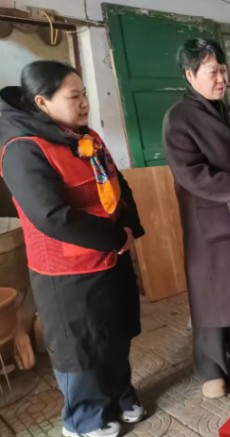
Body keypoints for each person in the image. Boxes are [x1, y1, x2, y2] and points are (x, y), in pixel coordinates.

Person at [0, 61, 145, 437]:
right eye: (73, 96)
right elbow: (52, 216)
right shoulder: (22, 149)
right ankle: (84, 418)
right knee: (81, 347)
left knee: (115, 334)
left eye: (84, 94)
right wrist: (115, 238)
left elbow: (116, 182)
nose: (84, 103)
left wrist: (130, 226)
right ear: (42, 102)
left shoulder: (85, 136)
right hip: (67, 273)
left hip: (110, 258)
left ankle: (120, 395)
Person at [162, 38, 230, 399]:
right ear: (190, 74)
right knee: (211, 297)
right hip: (208, 223)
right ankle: (211, 366)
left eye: (223, 70)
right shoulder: (179, 118)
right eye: (213, 72)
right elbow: (191, 173)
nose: (221, 79)